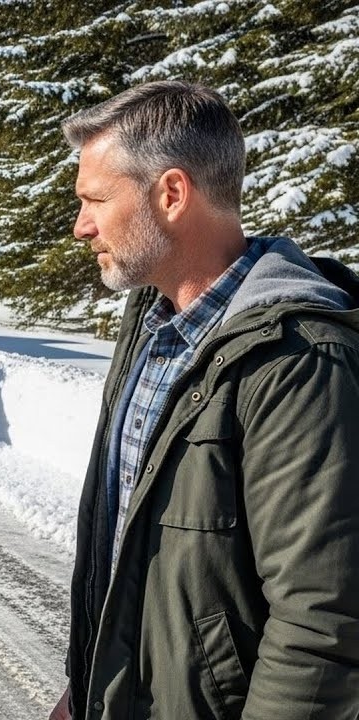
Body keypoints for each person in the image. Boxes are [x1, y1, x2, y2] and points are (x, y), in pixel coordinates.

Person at [50, 80, 359, 719]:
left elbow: (322, 626)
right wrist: (88, 690)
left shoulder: (298, 361)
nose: (81, 226)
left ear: (170, 194)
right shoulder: (153, 323)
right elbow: (128, 555)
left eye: (95, 200)